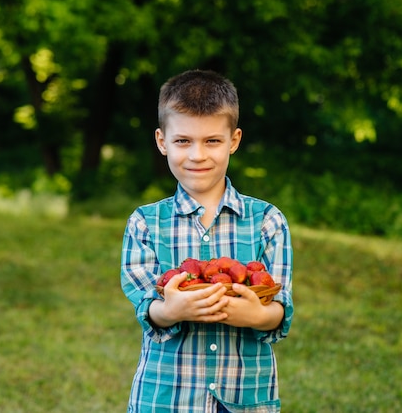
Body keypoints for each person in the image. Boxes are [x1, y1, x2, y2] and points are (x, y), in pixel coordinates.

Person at [120, 69, 293, 413]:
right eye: (183, 141)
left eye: (212, 141)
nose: (197, 155)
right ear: (161, 141)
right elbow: (146, 307)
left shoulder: (267, 221)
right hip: (167, 398)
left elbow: (280, 308)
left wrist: (254, 316)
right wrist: (171, 310)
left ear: (234, 140)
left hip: (244, 398)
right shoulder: (145, 223)